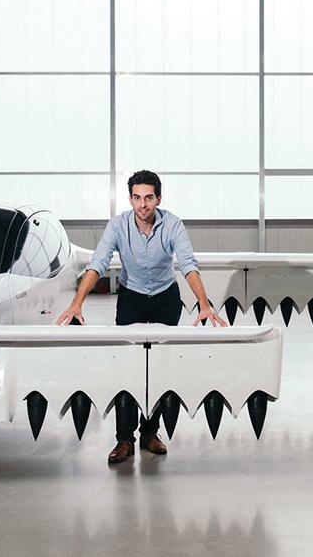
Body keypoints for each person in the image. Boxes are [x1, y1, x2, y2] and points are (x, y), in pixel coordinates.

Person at [56, 169, 227, 464]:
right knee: (128, 365)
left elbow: (188, 264)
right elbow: (98, 263)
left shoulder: (172, 224)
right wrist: (76, 304)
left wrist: (203, 303)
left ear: (158, 199)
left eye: (148, 197)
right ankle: (124, 439)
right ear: (130, 199)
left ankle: (150, 433)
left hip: (165, 298)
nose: (142, 204)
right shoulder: (118, 225)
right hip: (132, 298)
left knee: (159, 366)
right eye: (137, 197)